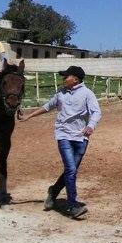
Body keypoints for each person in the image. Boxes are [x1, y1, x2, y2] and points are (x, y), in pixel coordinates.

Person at [18, 66, 101, 219]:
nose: (63, 79)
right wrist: (28, 116)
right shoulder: (61, 93)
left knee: (71, 171)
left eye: (66, 76)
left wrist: (91, 126)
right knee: (71, 169)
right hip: (63, 135)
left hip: (81, 137)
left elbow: (96, 112)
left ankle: (53, 191)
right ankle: (72, 205)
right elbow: (47, 106)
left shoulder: (87, 93)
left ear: (75, 79)